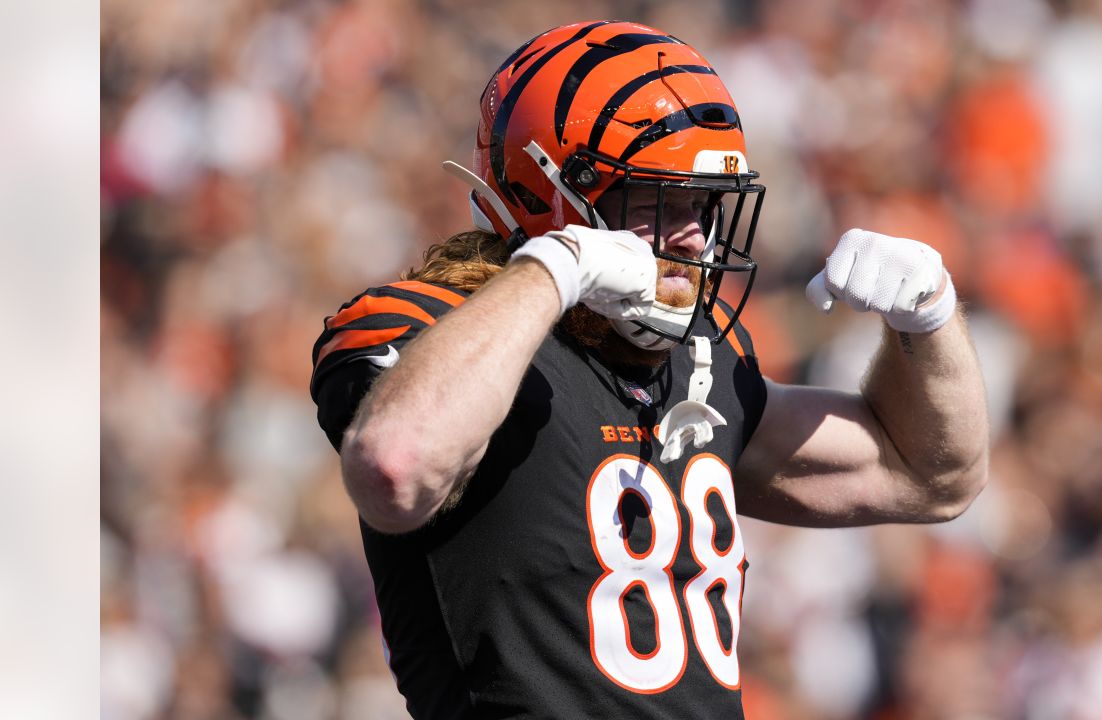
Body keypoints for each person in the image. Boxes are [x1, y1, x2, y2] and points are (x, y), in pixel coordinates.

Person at [310, 20, 988, 719]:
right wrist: (555, 267)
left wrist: (929, 318)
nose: (692, 236)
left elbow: (931, 476)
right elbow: (395, 467)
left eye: (702, 205)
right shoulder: (423, 324)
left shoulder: (698, 356)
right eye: (654, 201)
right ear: (553, 196)